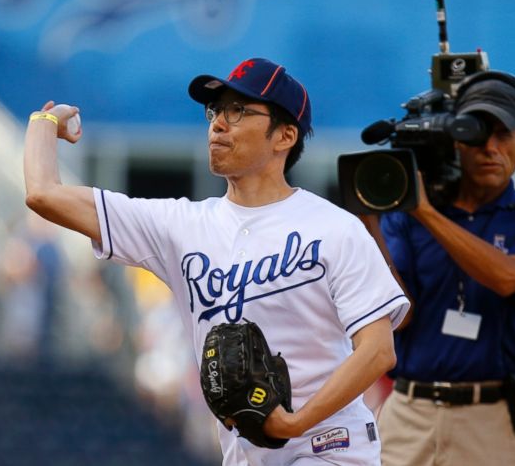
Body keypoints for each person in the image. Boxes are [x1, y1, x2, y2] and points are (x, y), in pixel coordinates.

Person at [23, 57, 410, 465]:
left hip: (331, 448)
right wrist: (43, 123)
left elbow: (378, 351)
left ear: (285, 136)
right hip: (245, 456)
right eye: (215, 111)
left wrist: (295, 424)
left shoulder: (335, 228)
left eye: (238, 110)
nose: (218, 124)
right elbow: (43, 194)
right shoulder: (182, 226)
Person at [368, 71, 515, 466]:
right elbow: (398, 314)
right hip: (409, 411)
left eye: (504, 134)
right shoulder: (408, 216)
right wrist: (369, 224)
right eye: (477, 134)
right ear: (456, 141)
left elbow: (510, 278)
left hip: (493, 418)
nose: (491, 147)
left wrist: (424, 212)